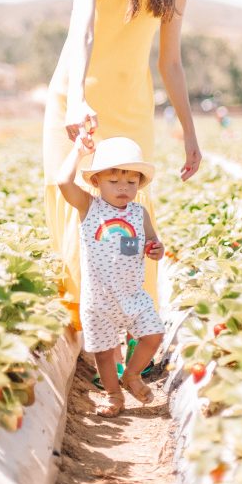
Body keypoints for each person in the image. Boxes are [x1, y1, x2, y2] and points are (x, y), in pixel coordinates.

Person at [42, 0, 202, 332]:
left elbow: (170, 63)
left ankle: (136, 330)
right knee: (74, 207)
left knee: (131, 218)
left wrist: (190, 134)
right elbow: (83, 34)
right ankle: (84, 334)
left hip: (131, 109)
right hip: (77, 102)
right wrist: (76, 102)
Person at [57, 135, 164, 417]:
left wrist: (156, 249)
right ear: (96, 182)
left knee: (153, 336)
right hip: (99, 299)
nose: (123, 189)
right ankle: (114, 395)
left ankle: (131, 375)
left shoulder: (139, 213)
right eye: (114, 182)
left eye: (131, 182)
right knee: (103, 355)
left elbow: (153, 241)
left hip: (132, 294)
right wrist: (78, 151)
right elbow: (63, 183)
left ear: (139, 184)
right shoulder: (89, 207)